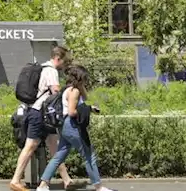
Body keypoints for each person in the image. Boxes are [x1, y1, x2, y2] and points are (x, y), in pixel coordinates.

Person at [37, 65, 113, 191]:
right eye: (84, 78)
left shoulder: (68, 89)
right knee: (89, 155)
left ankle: (43, 185)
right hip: (72, 125)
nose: (86, 81)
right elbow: (72, 112)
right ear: (80, 78)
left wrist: (85, 99)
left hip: (64, 126)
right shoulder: (74, 91)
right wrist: (88, 109)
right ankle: (98, 187)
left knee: (59, 156)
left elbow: (85, 98)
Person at [9, 46, 74, 191]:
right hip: (40, 114)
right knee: (30, 145)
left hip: (41, 113)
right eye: (65, 61)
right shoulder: (51, 71)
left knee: (54, 147)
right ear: (58, 58)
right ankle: (15, 180)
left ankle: (66, 179)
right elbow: (55, 92)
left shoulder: (44, 68)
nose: (65, 65)